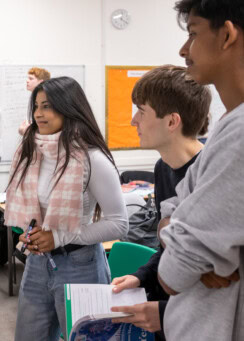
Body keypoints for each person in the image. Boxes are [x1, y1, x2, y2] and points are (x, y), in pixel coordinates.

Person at [4, 77, 128, 341]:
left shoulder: (92, 157)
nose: (38, 113)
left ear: (68, 108)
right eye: (36, 106)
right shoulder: (31, 152)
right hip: (37, 263)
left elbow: (119, 223)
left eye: (47, 106)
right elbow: (35, 210)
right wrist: (31, 232)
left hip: (81, 264)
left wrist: (59, 237)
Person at [155, 1, 244, 340]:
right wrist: (176, 232)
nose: (183, 49)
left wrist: (183, 246)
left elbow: (172, 274)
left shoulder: (239, 132)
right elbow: (174, 207)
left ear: (227, 35)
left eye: (193, 34)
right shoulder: (227, 124)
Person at [108, 65, 214, 340]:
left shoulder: (213, 176)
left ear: (172, 121)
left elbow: (219, 277)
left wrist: (168, 312)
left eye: (141, 112)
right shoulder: (163, 168)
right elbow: (169, 247)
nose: (133, 121)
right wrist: (141, 276)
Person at [18, 67, 51, 135]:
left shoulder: (47, 100)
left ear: (41, 82)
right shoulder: (33, 97)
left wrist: (27, 131)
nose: (27, 81)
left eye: (31, 79)